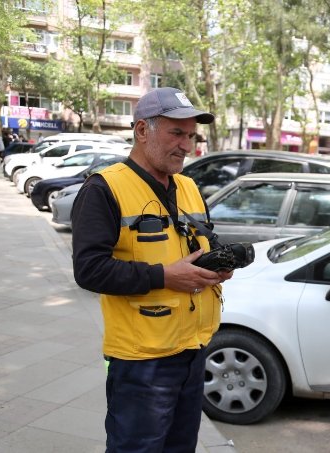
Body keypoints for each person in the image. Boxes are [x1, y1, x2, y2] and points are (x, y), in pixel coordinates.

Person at [70, 87, 233, 452]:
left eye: (191, 135)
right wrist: (165, 276)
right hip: (142, 363)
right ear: (142, 131)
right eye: (176, 133)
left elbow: (204, 240)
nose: (187, 145)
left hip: (193, 351)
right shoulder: (104, 188)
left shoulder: (189, 186)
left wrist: (219, 263)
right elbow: (89, 270)